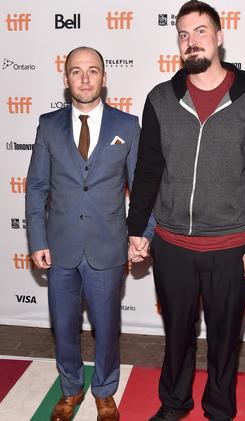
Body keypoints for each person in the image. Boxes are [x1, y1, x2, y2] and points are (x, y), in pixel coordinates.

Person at [127, 1, 245, 420]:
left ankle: (219, 409)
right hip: (173, 244)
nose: (191, 42)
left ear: (219, 37)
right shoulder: (160, 99)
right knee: (177, 334)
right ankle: (174, 403)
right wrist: (137, 228)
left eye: (200, 32)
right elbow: (148, 171)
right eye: (183, 34)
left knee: (226, 338)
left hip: (232, 245)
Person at [26, 46, 152, 421]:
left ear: (104, 77)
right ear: (65, 79)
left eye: (92, 71)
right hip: (60, 245)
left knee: (107, 326)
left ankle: (105, 391)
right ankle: (70, 390)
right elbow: (36, 188)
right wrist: (37, 239)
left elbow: (142, 189)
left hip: (107, 245)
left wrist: (142, 233)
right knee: (63, 327)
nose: (85, 78)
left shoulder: (127, 126)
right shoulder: (48, 125)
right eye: (76, 71)